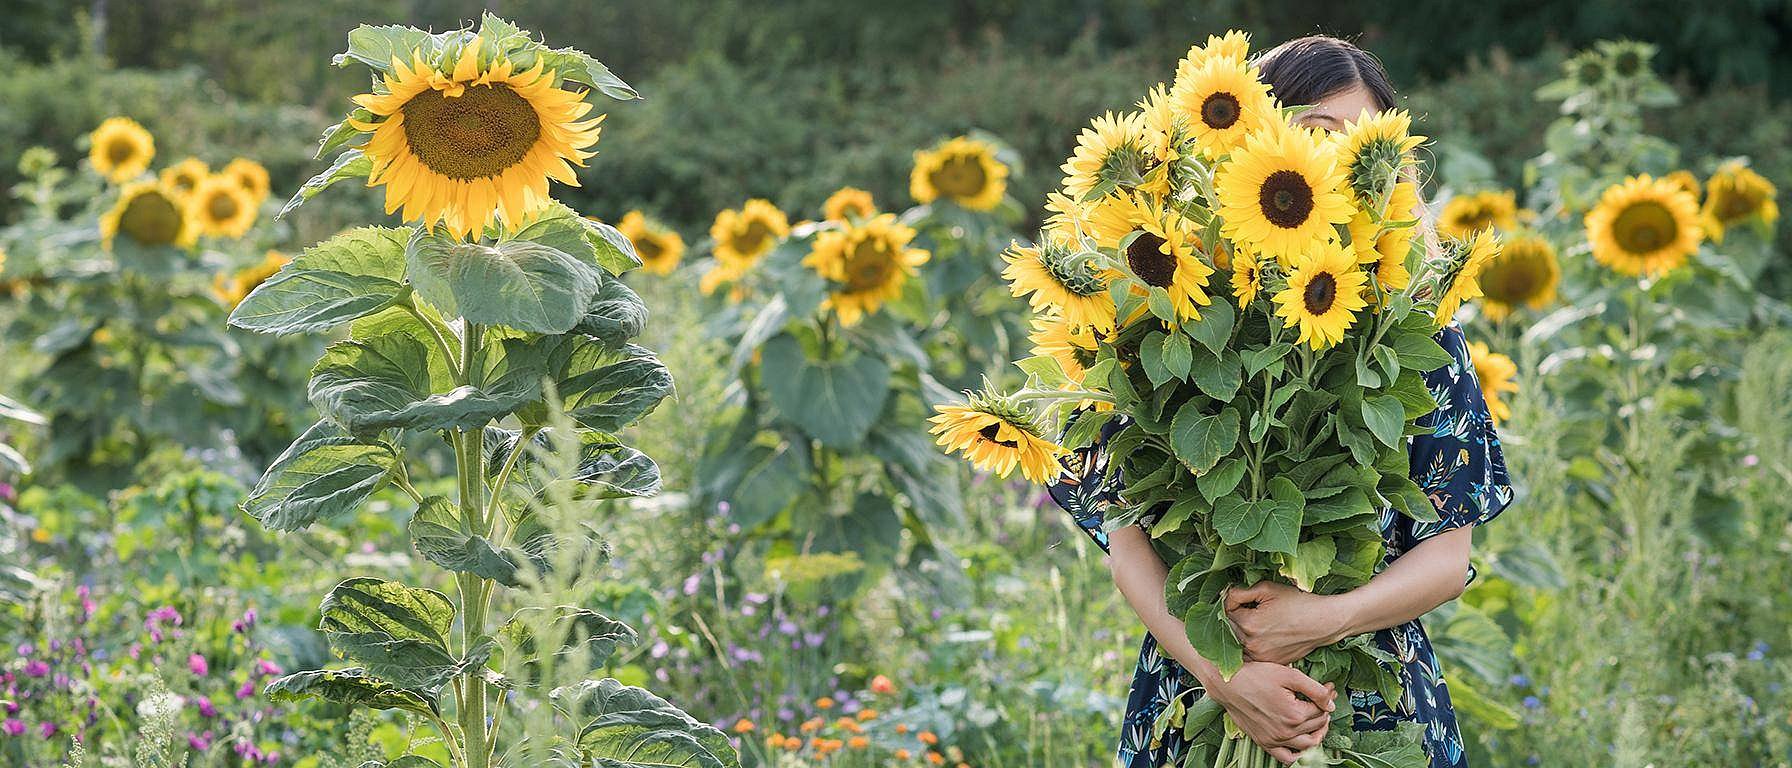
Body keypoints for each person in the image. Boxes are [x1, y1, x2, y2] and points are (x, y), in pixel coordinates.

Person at [1048, 35, 1515, 768]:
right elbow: (1128, 538)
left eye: (1361, 148)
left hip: (1369, 699)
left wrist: (1319, 620)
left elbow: (1449, 556)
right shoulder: (1165, 318)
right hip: (1201, 687)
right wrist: (1231, 676)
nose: (1334, 167)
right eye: (1314, 137)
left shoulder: (1414, 331)